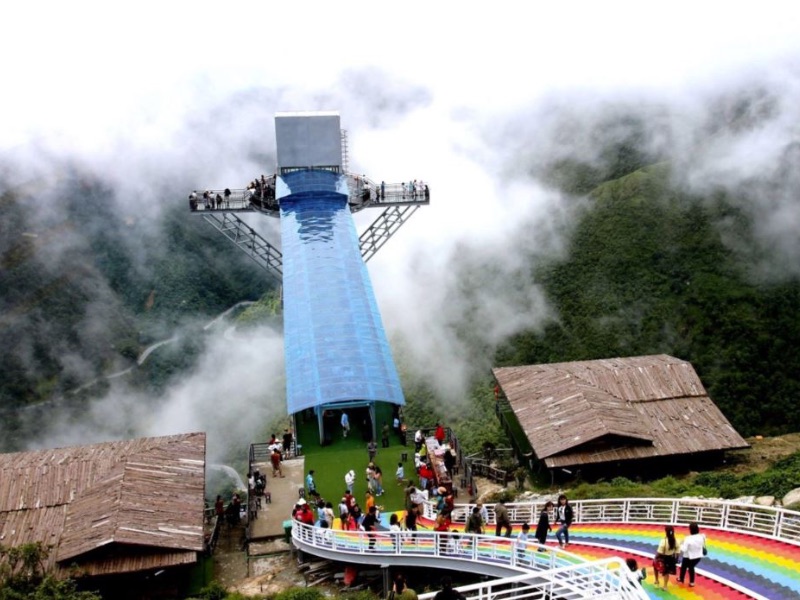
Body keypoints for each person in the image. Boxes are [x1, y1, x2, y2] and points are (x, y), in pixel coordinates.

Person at [678, 522, 707, 587]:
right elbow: (704, 537)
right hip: (698, 556)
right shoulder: (702, 536)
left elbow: (684, 549)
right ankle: (692, 582)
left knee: (683, 567)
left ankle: (681, 579)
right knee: (691, 567)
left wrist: (680, 544)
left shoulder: (688, 538)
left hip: (688, 556)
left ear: (690, 529)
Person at [653, 525, 680, 590]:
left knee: (655, 566)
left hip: (663, 558)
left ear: (666, 532)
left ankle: (656, 580)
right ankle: (665, 586)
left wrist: (655, 558)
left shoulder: (663, 541)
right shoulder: (676, 541)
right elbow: (678, 552)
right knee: (666, 572)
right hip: (671, 558)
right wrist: (676, 559)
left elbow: (659, 552)